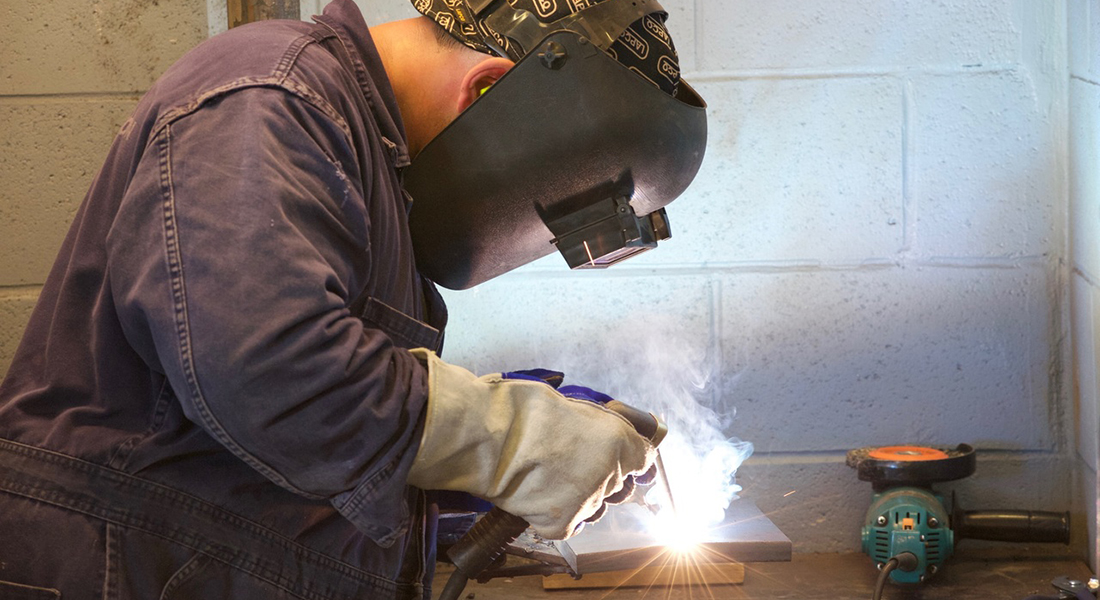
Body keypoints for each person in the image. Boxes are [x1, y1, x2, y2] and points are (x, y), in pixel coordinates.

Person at [0, 0, 702, 598]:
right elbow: (266, 371)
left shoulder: (363, 156)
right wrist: (504, 438)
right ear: (486, 89)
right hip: (128, 566)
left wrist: (461, 473)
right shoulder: (272, 99)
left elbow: (309, 439)